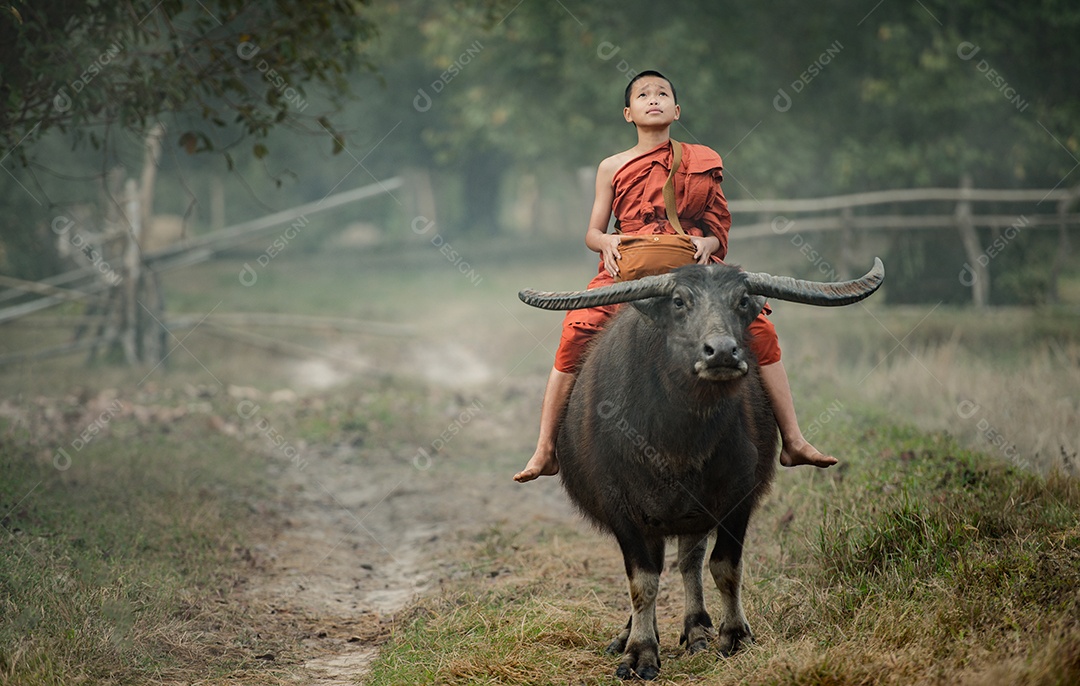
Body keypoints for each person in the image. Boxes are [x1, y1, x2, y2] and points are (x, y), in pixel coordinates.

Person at [514, 70, 836, 483]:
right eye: (643, 95)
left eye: (662, 94)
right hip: (628, 270)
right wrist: (606, 243)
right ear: (628, 113)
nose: (654, 99)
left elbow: (718, 225)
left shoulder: (703, 160)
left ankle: (792, 440)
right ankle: (545, 449)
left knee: (761, 331)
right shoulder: (611, 166)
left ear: (676, 110)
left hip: (694, 272)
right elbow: (592, 231)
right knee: (577, 330)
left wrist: (709, 245)